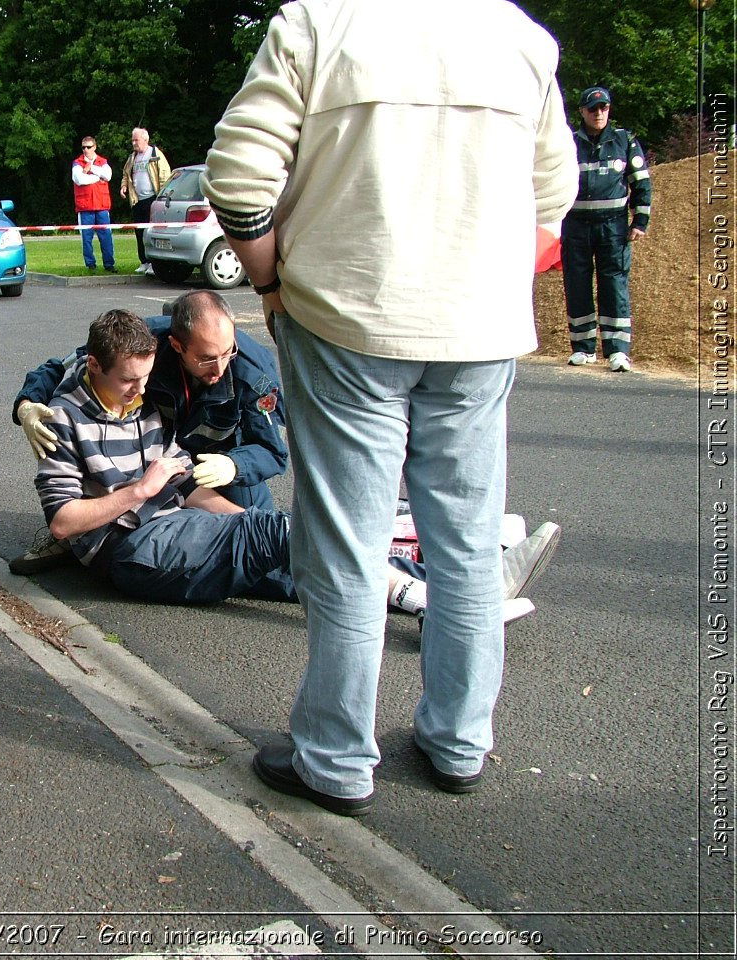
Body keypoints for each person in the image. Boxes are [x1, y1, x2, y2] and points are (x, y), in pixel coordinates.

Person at [202, 0, 577, 814]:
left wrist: (268, 282)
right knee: (468, 544)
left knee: (347, 545)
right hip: (477, 330)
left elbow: (236, 185)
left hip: (348, 316)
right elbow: (553, 204)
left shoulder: (317, 23)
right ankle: (459, 742)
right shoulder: (518, 36)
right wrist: (489, 281)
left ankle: (336, 759)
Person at [36, 310, 557, 614]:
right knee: (285, 538)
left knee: (303, 567)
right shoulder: (62, 418)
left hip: (182, 523)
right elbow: (61, 523)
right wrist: (138, 493)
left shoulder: (153, 398)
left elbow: (191, 485)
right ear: (94, 365)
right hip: (131, 550)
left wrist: (250, 512)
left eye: (146, 379)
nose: (141, 389)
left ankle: (460, 587)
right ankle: (431, 602)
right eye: (128, 380)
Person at [11, 290, 287, 573]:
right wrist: (27, 404)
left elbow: (273, 452)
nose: (219, 367)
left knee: (258, 536)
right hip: (166, 446)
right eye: (205, 358)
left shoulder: (255, 373)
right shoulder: (147, 343)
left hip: (225, 462)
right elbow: (67, 367)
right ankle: (79, 533)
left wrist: (236, 465)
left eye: (228, 352)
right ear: (177, 345)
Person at [560, 86, 651, 372]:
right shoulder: (569, 142)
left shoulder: (625, 141)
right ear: (582, 112)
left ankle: (617, 351)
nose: (599, 113)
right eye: (592, 108)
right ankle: (583, 348)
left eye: (603, 108)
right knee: (577, 283)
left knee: (614, 285)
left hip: (612, 226)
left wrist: (640, 221)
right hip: (575, 225)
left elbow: (641, 182)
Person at [120, 128, 172, 274]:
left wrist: (161, 198)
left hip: (152, 199)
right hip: (137, 200)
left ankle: (153, 264)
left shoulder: (156, 156)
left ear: (145, 140)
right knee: (139, 232)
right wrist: (124, 186)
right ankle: (143, 261)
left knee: (151, 233)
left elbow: (164, 177)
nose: (134, 143)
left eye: (136, 140)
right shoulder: (132, 157)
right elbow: (126, 174)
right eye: (132, 140)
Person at [72, 137, 115, 272]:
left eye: (88, 147)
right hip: (85, 207)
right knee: (86, 238)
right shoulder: (77, 163)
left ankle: (109, 264)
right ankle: (90, 264)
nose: (86, 150)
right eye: (83, 147)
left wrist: (91, 169)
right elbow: (79, 179)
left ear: (95, 147)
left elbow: (108, 176)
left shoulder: (103, 162)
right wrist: (98, 177)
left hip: (102, 206)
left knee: (106, 237)